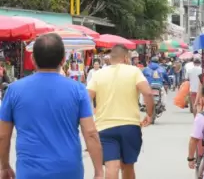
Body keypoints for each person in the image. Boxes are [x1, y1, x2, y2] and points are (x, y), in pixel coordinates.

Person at [0, 33, 103, 179]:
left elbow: (3, 136)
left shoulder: (14, 90)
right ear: (63, 60)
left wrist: (4, 166)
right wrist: (99, 172)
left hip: (30, 172)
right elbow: (91, 133)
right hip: (68, 171)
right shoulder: (78, 90)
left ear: (33, 59)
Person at [87, 44, 154, 179]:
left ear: (111, 58)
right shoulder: (134, 71)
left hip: (104, 127)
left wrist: (92, 111)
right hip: (130, 126)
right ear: (125, 58)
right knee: (128, 165)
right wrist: (149, 114)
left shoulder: (98, 74)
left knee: (112, 167)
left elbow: (86, 97)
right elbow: (147, 92)